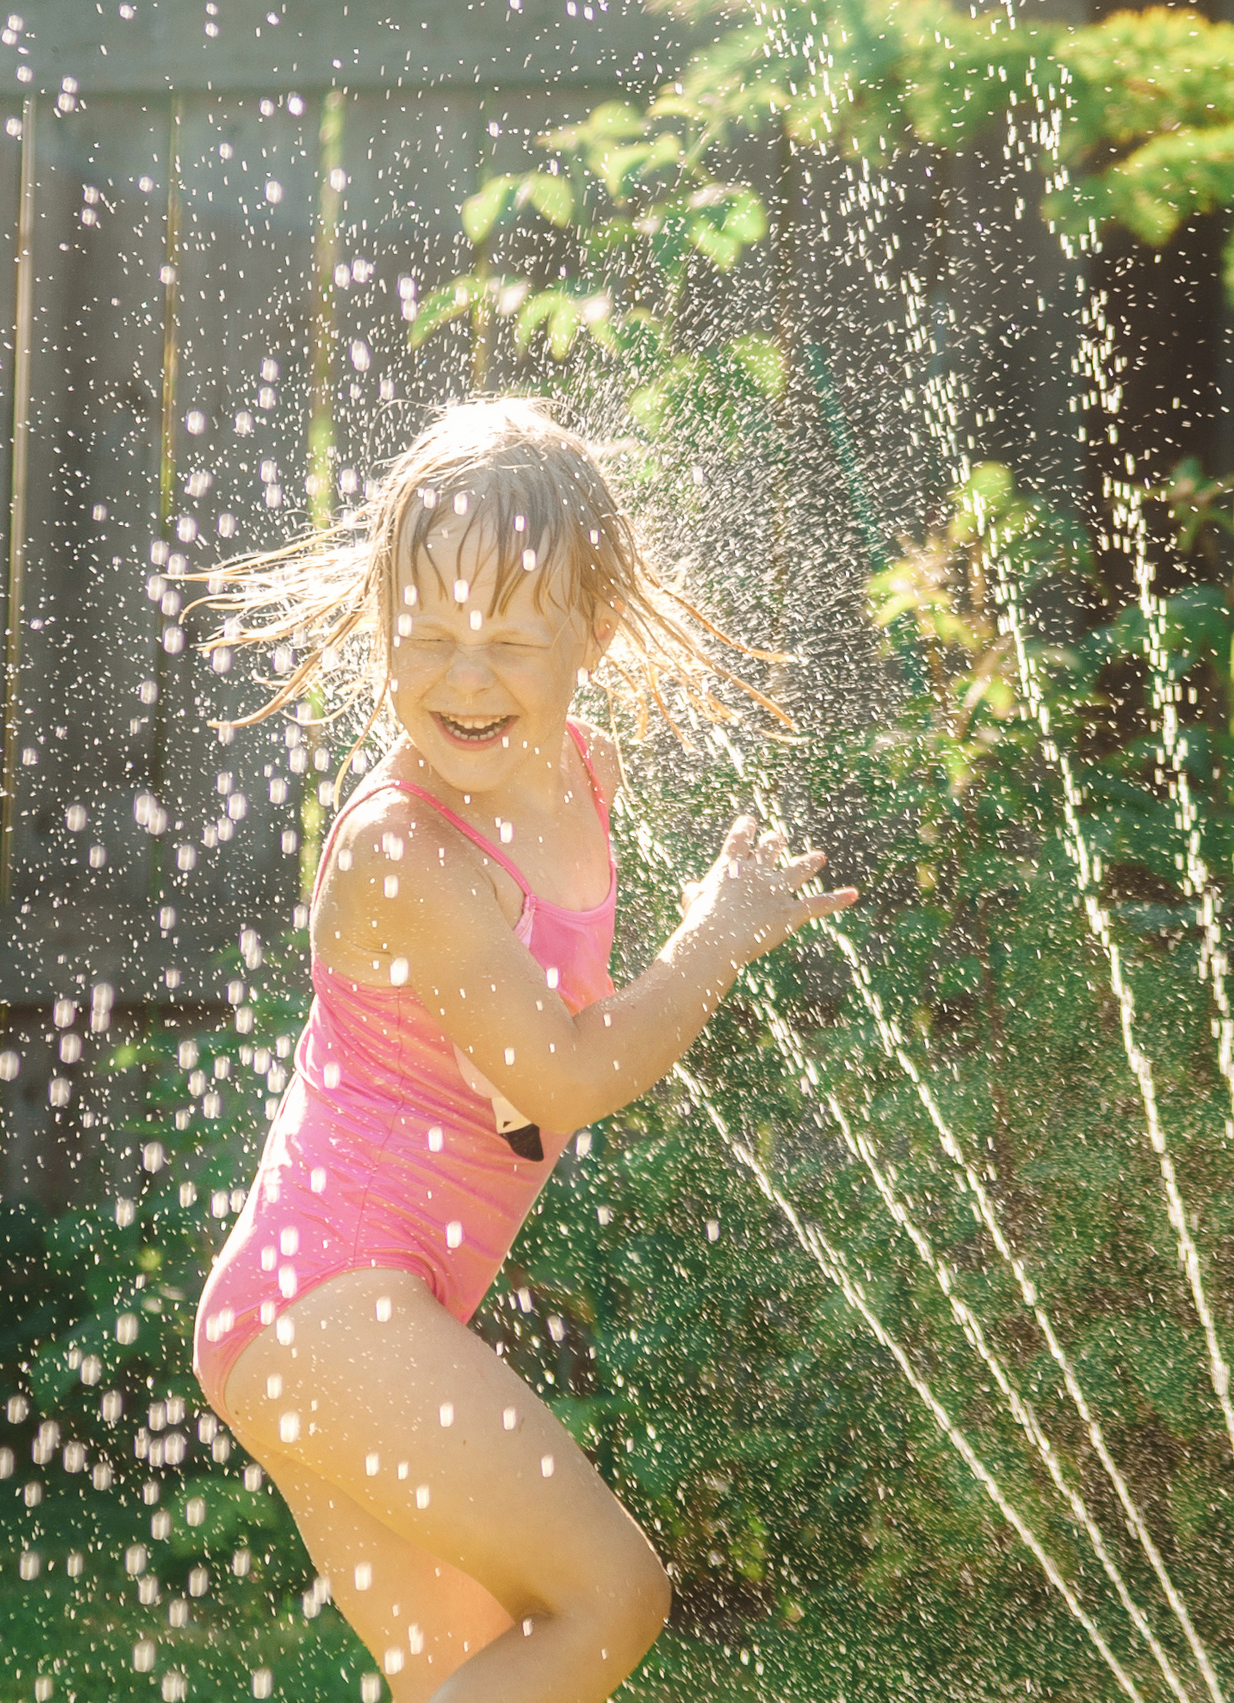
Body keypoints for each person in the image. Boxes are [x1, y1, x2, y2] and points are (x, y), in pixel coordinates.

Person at [186, 398, 855, 1702]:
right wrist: (715, 938)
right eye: (430, 635)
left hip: (339, 1314)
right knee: (612, 1597)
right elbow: (562, 1077)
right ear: (384, 625)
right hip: (325, 1308)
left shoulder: (575, 772)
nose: (467, 678)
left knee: (481, 1672)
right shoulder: (407, 852)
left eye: (508, 639)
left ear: (589, 634)